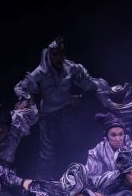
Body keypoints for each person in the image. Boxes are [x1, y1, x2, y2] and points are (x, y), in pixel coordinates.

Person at [13, 36, 105, 177]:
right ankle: (44, 180)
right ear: (49, 55)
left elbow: (89, 84)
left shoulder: (71, 68)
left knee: (71, 143)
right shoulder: (41, 72)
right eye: (55, 54)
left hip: (65, 110)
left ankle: (75, 176)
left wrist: (82, 97)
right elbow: (20, 87)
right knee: (47, 150)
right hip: (48, 114)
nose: (59, 57)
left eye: (61, 53)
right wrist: (26, 99)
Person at [85, 112, 132, 181]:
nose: (118, 139)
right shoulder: (98, 151)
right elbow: (91, 176)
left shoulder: (129, 145)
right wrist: (116, 176)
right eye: (113, 135)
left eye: (121, 134)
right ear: (106, 137)